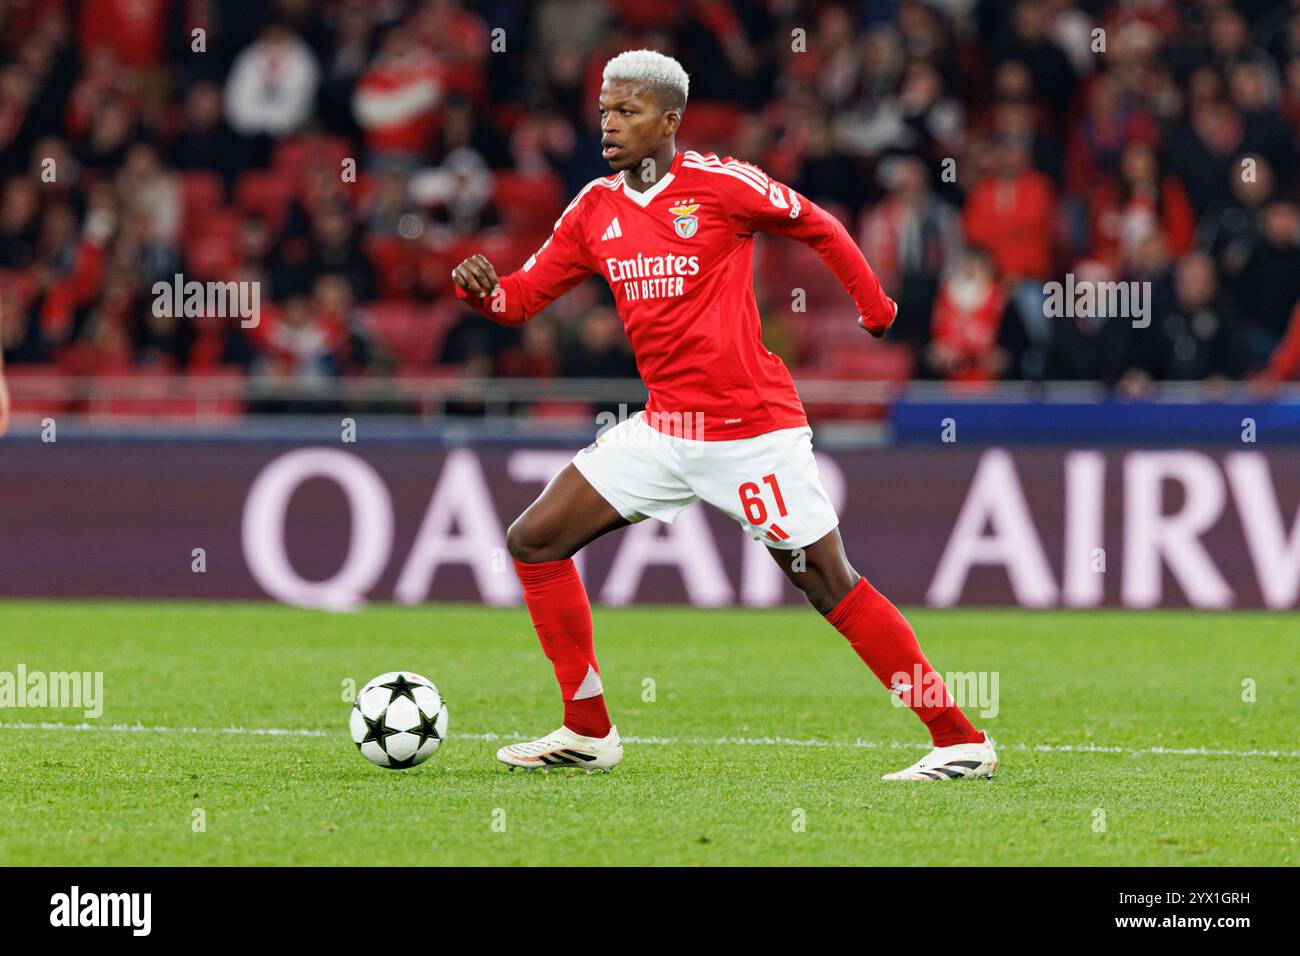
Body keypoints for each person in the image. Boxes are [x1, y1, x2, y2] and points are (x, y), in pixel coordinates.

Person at [451, 50, 995, 782]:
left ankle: (959, 738)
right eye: (605, 111)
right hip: (664, 429)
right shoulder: (593, 209)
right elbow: (519, 301)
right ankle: (587, 730)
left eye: (628, 111)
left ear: (670, 120)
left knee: (826, 582)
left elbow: (816, 224)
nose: (609, 125)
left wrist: (874, 305)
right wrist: (483, 293)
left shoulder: (719, 184)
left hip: (750, 431)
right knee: (534, 541)